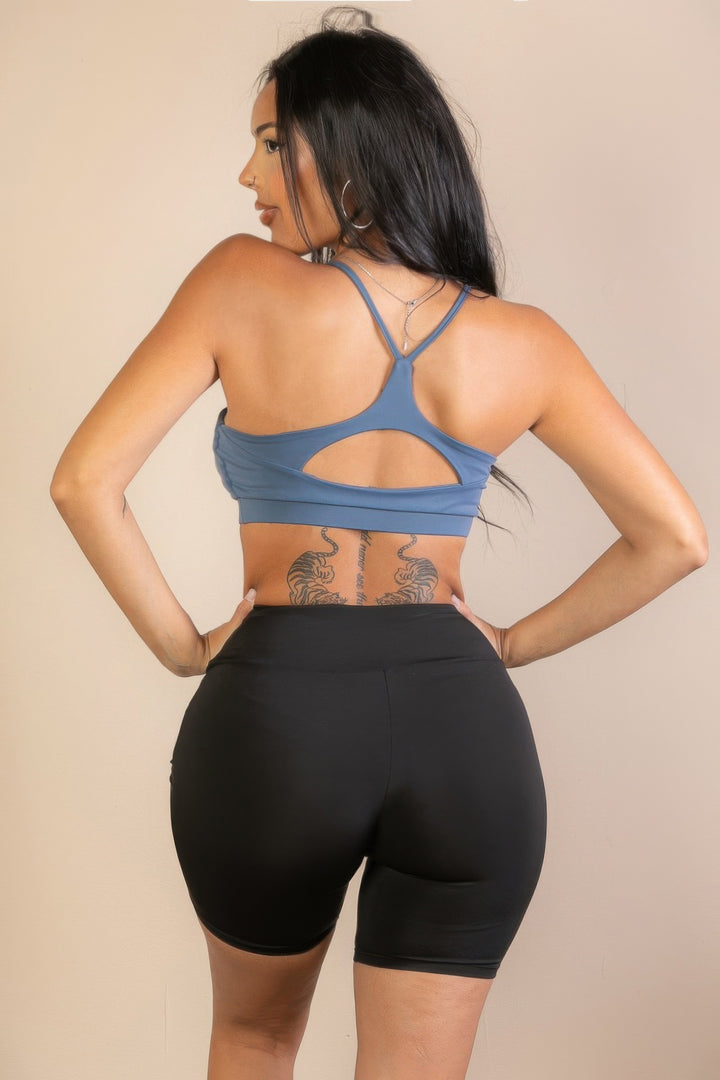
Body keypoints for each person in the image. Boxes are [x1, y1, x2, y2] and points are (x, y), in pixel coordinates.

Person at [50, 6, 708, 1080]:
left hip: (279, 719)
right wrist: (509, 644)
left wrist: (183, 649)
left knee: (255, 1038)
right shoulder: (522, 340)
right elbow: (674, 538)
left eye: (273, 142)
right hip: (466, 738)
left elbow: (85, 481)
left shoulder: (238, 284)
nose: (247, 174)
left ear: (352, 148)